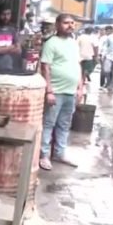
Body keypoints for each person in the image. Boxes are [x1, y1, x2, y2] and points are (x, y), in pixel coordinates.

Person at [39, 14, 84, 171]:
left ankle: (59, 153)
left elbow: (78, 66)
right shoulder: (51, 43)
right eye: (66, 23)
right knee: (48, 123)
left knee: (64, 124)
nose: (70, 25)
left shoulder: (74, 43)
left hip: (70, 92)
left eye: (72, 23)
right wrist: (49, 91)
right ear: (57, 25)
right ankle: (44, 155)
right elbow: (45, 67)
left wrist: (80, 87)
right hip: (56, 91)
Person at [0, 2, 22, 72]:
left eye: (8, 14)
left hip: (9, 67)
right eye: (3, 14)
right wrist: (12, 46)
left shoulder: (12, 30)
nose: (6, 17)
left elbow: (19, 50)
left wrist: (2, 49)